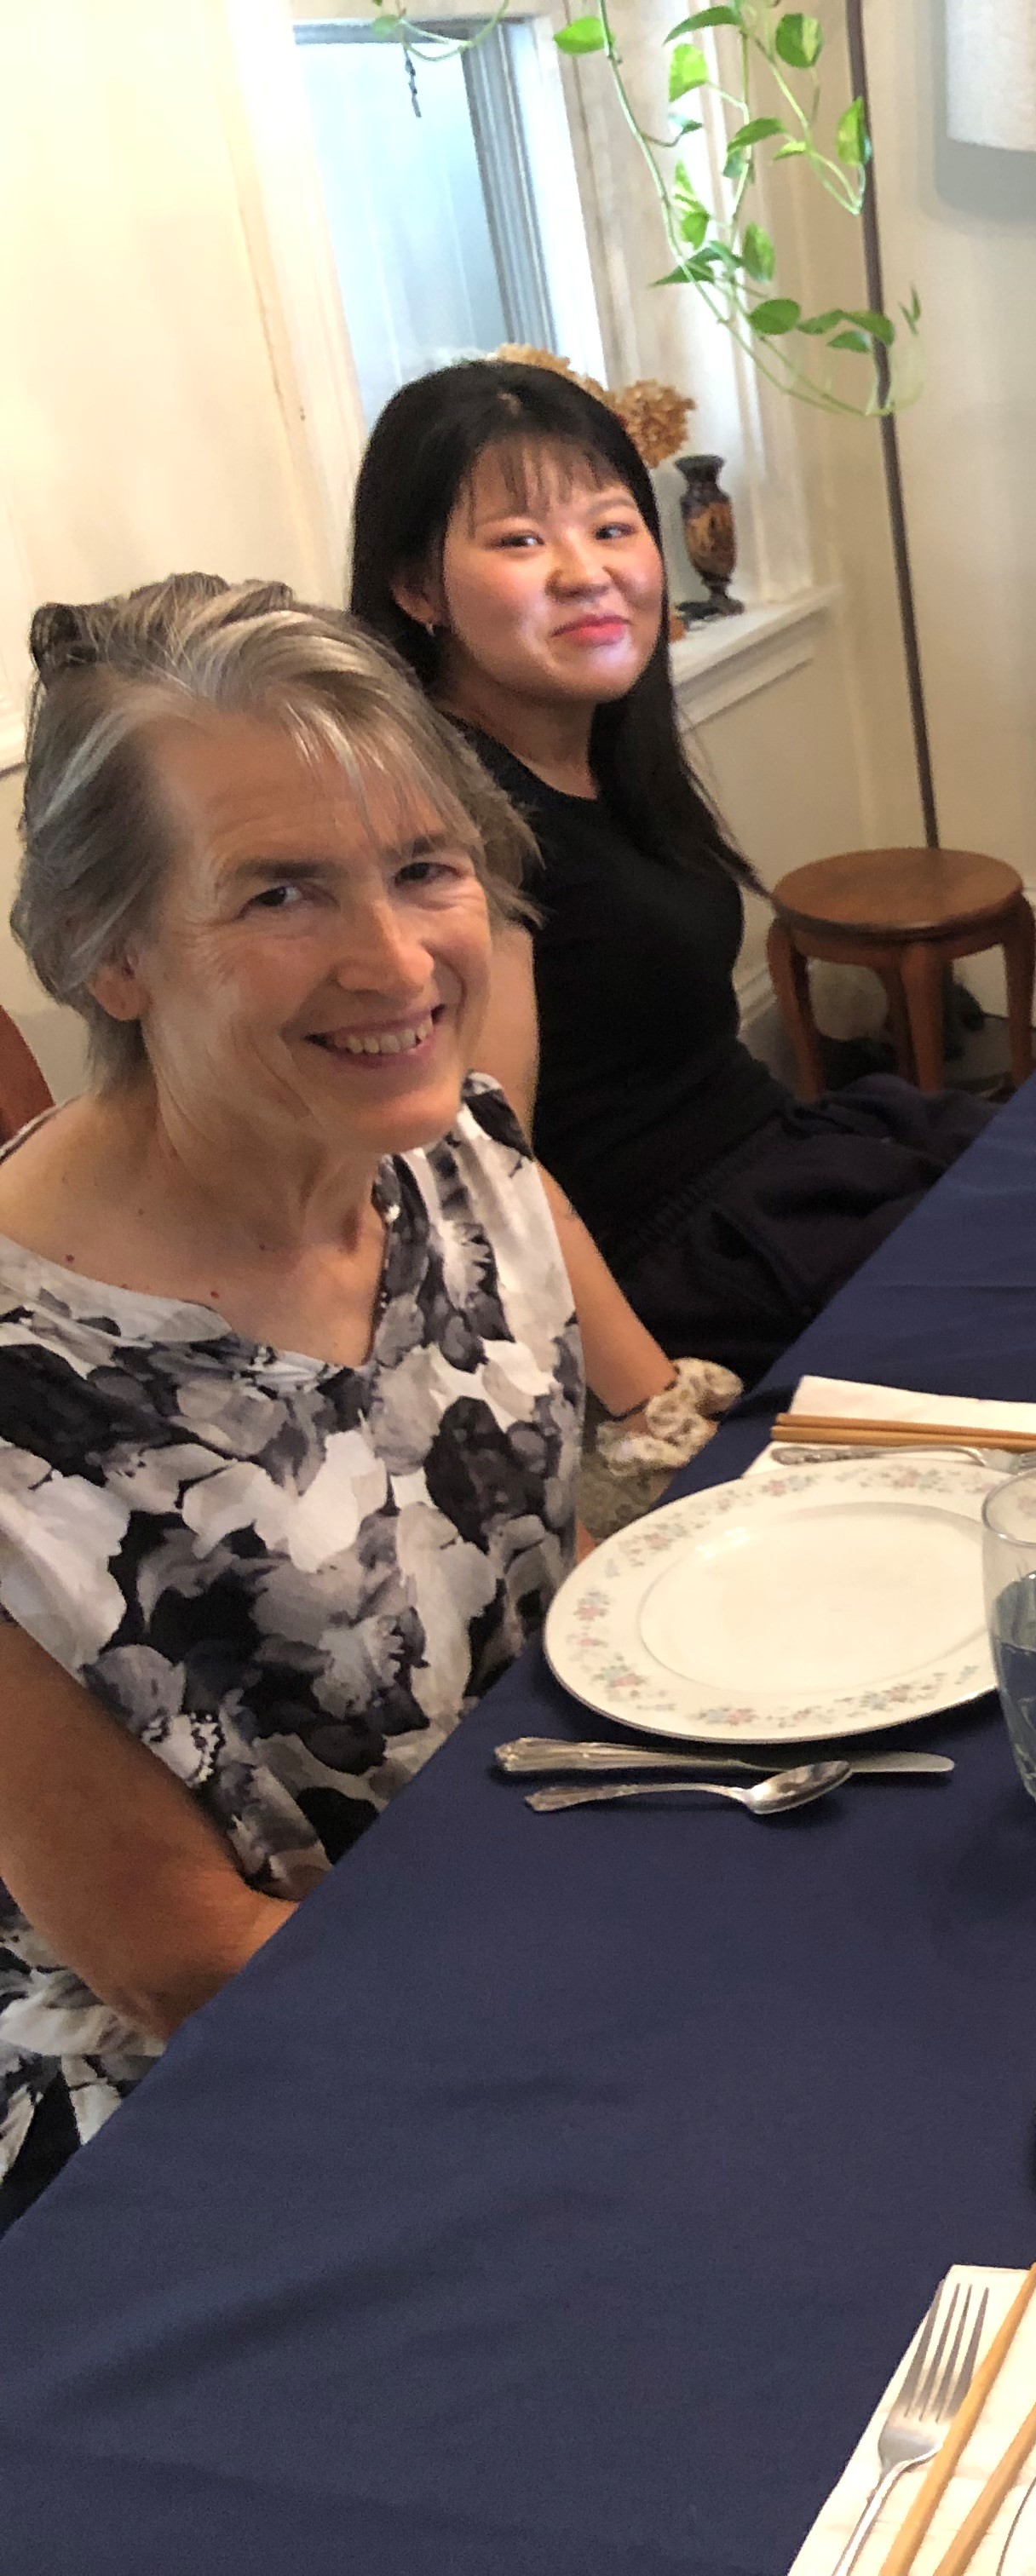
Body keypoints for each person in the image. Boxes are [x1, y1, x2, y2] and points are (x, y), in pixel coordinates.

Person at [0, 578, 688, 2229]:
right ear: (111, 956)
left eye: (423, 869)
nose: (396, 959)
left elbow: (611, 1522)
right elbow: (183, 1967)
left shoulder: (456, 1153)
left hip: (544, 1897)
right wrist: (638, 2025)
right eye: (282, 895)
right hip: (216, 2113)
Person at [349, 359, 990, 1387]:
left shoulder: (600, 749)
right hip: (676, 1266)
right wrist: (651, 1405)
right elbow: (485, 1176)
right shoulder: (454, 824)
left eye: (610, 527)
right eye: (520, 541)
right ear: (416, 586)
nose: (586, 572)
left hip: (778, 1160)